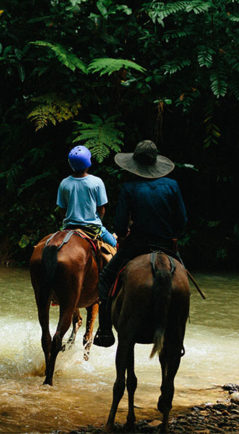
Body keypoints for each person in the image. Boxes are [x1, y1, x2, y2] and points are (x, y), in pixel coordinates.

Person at [93, 140, 187, 347]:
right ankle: (179, 338)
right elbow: (182, 221)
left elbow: (119, 224)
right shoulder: (172, 186)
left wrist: (124, 234)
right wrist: (174, 236)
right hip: (166, 246)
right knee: (184, 281)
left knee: (105, 279)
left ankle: (105, 330)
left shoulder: (129, 187)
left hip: (136, 245)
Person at [57, 145, 117, 247]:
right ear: (88, 163)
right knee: (114, 244)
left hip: (69, 227)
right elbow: (101, 209)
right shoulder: (97, 182)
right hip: (92, 227)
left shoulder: (64, 183)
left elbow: (62, 209)